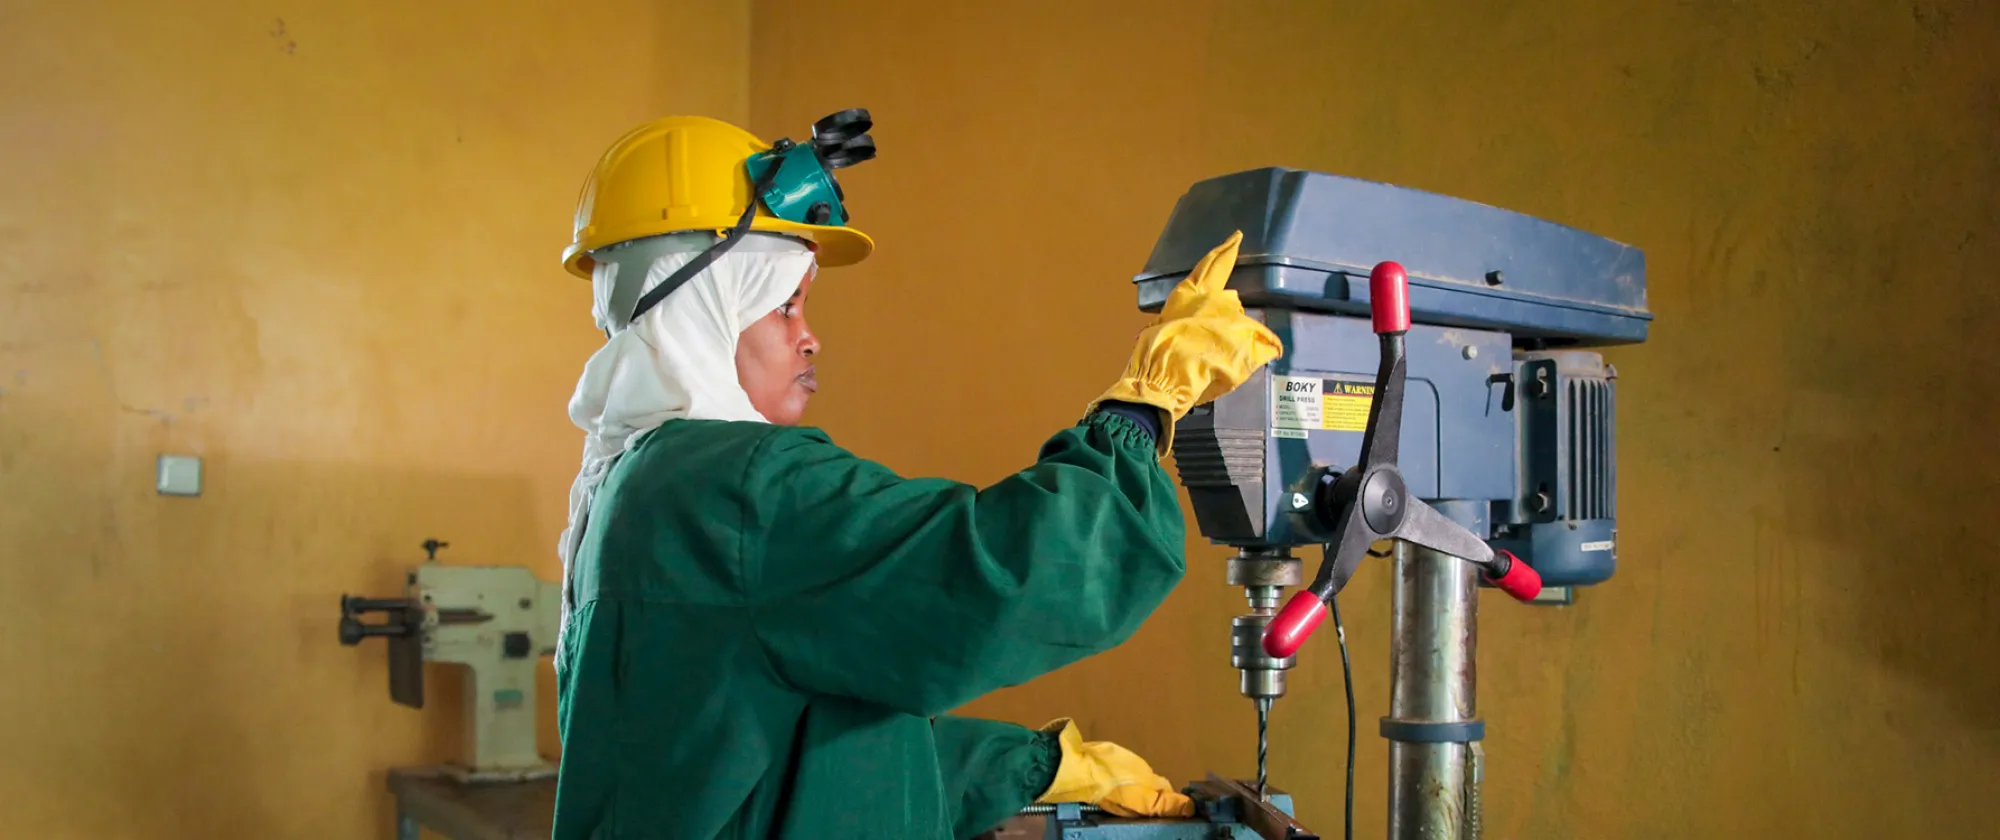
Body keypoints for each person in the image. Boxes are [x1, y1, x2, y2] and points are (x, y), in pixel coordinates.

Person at [549, 114, 1283, 840]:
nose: (810, 336)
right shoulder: (740, 489)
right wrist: (1144, 406)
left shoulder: (631, 489)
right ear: (701, 313)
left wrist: (1029, 768)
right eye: (785, 306)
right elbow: (1009, 574)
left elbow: (785, 745)